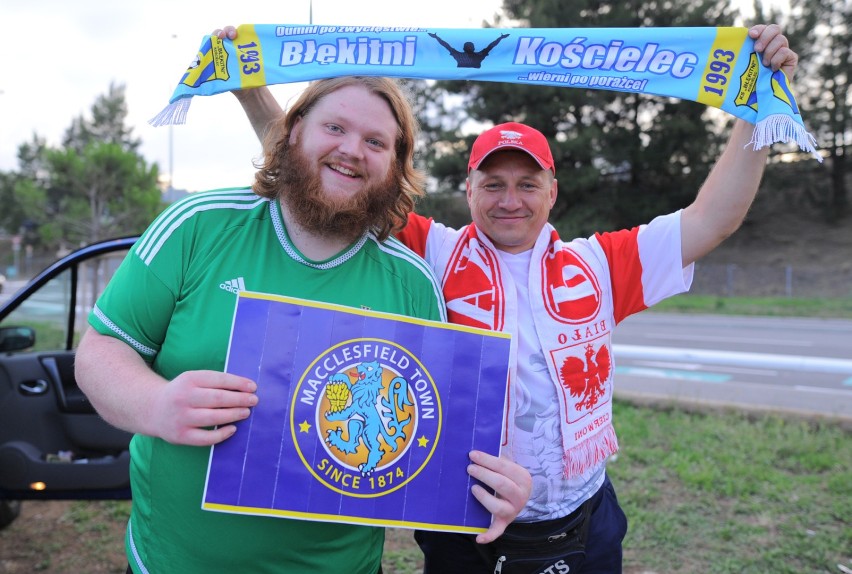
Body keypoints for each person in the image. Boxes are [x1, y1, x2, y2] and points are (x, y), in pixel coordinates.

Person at [222, 23, 797, 574]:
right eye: (493, 184)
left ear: (553, 190)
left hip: (587, 517)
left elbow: (713, 219)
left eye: (527, 184)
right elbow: (335, 172)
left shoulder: (600, 261)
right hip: (465, 523)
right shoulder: (433, 250)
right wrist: (251, 90)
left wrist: (757, 104)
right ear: (468, 189)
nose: (509, 200)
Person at [74, 75, 531, 574]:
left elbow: (434, 440)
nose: (352, 150)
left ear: (395, 165)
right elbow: (101, 351)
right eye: (334, 127)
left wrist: (491, 489)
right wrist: (154, 404)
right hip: (168, 562)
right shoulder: (197, 226)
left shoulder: (414, 284)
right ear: (293, 131)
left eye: (376, 142)